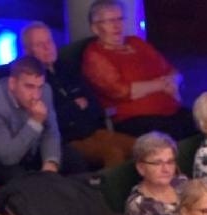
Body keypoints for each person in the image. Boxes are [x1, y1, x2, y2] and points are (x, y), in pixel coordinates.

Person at [20, 21, 131, 171]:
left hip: (94, 131)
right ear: (28, 51)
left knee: (141, 146)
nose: (48, 47)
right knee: (113, 154)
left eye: (49, 41)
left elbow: (95, 105)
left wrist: (76, 108)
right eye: (40, 45)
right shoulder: (30, 81)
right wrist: (75, 106)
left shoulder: (69, 68)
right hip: (69, 141)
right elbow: (50, 121)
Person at [79, 0, 193, 140]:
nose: (117, 25)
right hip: (134, 118)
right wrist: (160, 85)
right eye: (109, 21)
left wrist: (174, 81)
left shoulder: (136, 42)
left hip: (170, 108)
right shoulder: (95, 55)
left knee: (204, 123)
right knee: (174, 136)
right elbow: (121, 91)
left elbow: (170, 69)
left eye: (120, 19)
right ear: (95, 28)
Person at [0, 56, 62, 184]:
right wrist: (36, 121)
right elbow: (8, 157)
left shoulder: (45, 91)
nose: (36, 95)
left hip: (28, 150)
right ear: (12, 84)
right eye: (29, 87)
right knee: (22, 181)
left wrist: (50, 163)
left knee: (71, 160)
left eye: (39, 87)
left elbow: (51, 131)